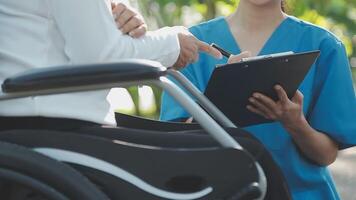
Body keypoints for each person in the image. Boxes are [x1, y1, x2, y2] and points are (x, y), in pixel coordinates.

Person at [160, 0, 356, 199]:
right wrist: (221, 98)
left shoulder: (325, 45)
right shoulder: (191, 45)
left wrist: (296, 123)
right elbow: (178, 145)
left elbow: (326, 155)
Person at [0, 0, 222, 127]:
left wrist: (122, 22)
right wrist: (174, 44)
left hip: (33, 117)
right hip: (53, 124)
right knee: (235, 155)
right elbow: (101, 58)